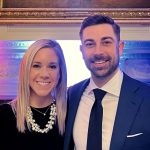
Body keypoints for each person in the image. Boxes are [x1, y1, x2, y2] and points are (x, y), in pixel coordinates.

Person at [64, 15, 150, 150]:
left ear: (120, 47)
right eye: (90, 44)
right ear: (82, 51)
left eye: (106, 42)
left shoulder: (147, 97)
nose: (98, 52)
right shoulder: (70, 96)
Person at [0, 39, 67, 150]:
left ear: (60, 73)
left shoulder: (69, 114)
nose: (44, 74)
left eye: (52, 66)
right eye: (36, 66)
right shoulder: (4, 115)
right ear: (26, 70)